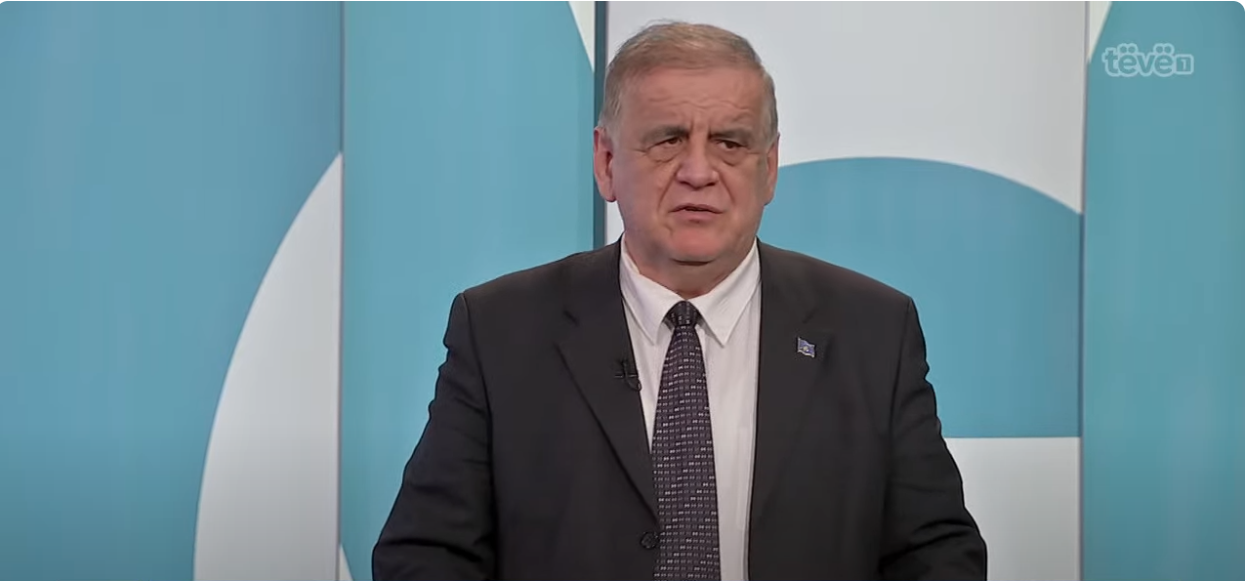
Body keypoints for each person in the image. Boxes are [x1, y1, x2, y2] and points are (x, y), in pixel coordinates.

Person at [373, 21, 986, 581]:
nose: (698, 171)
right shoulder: (500, 331)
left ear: (770, 167)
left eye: (730, 143)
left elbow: (937, 558)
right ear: (606, 162)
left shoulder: (872, 330)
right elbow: (425, 558)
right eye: (667, 141)